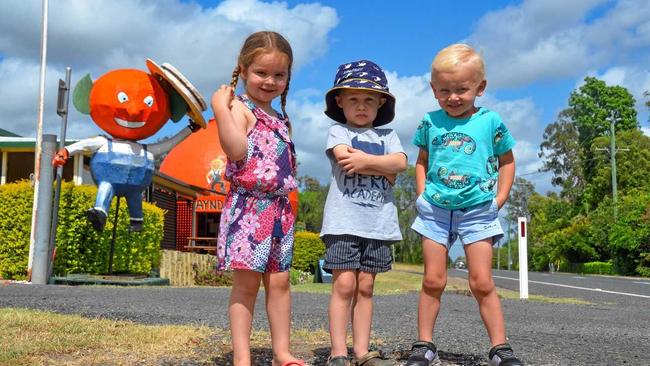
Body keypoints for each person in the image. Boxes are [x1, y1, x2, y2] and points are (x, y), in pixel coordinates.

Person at [405, 44, 522, 366]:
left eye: (461, 90)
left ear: (479, 88)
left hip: (479, 210)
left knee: (481, 281)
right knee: (433, 280)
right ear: (433, 89)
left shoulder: (490, 121)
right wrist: (421, 194)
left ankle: (500, 348)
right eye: (444, 91)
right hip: (436, 211)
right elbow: (422, 161)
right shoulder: (430, 121)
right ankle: (424, 345)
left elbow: (508, 161)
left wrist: (500, 198)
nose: (453, 97)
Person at [211, 31, 304, 366]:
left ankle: (282, 352)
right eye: (261, 73)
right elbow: (236, 150)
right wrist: (220, 108)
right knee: (247, 285)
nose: (270, 81)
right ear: (244, 70)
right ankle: (242, 357)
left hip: (278, 210)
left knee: (280, 283)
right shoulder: (240, 109)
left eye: (279, 75)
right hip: (249, 207)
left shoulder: (280, 120)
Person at [320, 60, 408, 366]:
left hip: (378, 224)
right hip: (344, 222)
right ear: (340, 101)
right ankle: (338, 352)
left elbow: (400, 164)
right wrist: (383, 166)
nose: (361, 106)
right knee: (344, 285)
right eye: (354, 99)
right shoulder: (337, 131)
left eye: (369, 99)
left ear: (381, 102)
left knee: (366, 287)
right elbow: (346, 160)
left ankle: (361, 351)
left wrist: (375, 163)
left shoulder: (389, 136)